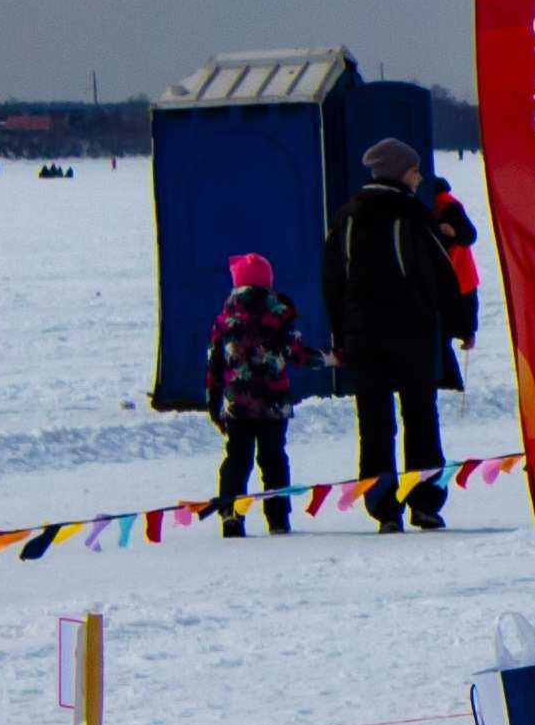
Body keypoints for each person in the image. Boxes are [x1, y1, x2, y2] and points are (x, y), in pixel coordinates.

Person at [325, 138, 475, 532]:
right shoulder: (412, 216)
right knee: (420, 417)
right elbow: (443, 276)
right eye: (414, 170)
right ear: (399, 174)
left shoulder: (347, 217)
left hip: (362, 338)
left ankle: (382, 505)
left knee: (373, 422)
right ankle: (424, 502)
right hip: (413, 335)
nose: (419, 177)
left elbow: (332, 281)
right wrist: (462, 325)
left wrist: (339, 336)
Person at [201, 251, 307, 534]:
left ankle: (231, 516)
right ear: (268, 281)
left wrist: (213, 403)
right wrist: (335, 358)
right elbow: (296, 354)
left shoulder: (225, 319)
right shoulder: (281, 314)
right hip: (274, 404)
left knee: (237, 458)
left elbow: (214, 364)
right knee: (273, 459)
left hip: (238, 404)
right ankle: (277, 518)